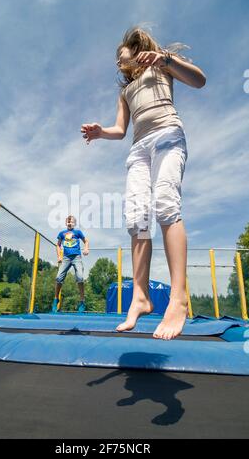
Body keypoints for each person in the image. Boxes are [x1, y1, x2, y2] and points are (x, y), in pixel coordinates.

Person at [81, 26, 206, 340]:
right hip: (138, 148)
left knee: (165, 205)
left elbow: (199, 80)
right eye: (121, 65)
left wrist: (165, 59)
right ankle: (140, 295)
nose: (124, 66)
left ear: (138, 52)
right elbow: (121, 129)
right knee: (136, 219)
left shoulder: (162, 64)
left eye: (127, 59)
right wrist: (101, 132)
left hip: (167, 135)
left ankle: (178, 297)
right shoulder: (125, 91)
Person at [52, 215, 89, 313]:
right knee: (59, 278)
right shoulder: (62, 233)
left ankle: (82, 301)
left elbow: (86, 241)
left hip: (76, 257)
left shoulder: (78, 232)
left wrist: (86, 248)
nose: (69, 223)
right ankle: (56, 299)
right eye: (68, 222)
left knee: (80, 278)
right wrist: (59, 256)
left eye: (71, 222)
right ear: (65, 223)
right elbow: (58, 245)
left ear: (74, 223)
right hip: (66, 258)